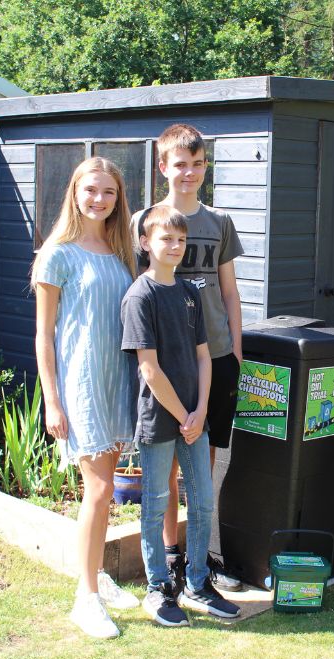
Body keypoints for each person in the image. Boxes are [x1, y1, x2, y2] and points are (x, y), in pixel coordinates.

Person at [31, 157, 141, 638]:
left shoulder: (120, 251)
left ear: (119, 200)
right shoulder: (57, 253)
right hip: (82, 387)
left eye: (109, 193)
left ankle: (97, 576)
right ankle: (86, 598)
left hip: (119, 380)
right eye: (91, 190)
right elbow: (44, 337)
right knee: (97, 492)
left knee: (108, 490)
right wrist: (53, 402)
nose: (100, 199)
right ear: (75, 192)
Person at [131, 123, 244, 593]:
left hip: (213, 356)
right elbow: (140, 292)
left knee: (206, 456)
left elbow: (230, 292)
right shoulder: (146, 221)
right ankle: (172, 554)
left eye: (199, 164)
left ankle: (203, 554)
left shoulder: (219, 222)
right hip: (169, 363)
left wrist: (235, 349)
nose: (190, 172)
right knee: (170, 463)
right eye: (181, 164)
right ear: (163, 167)